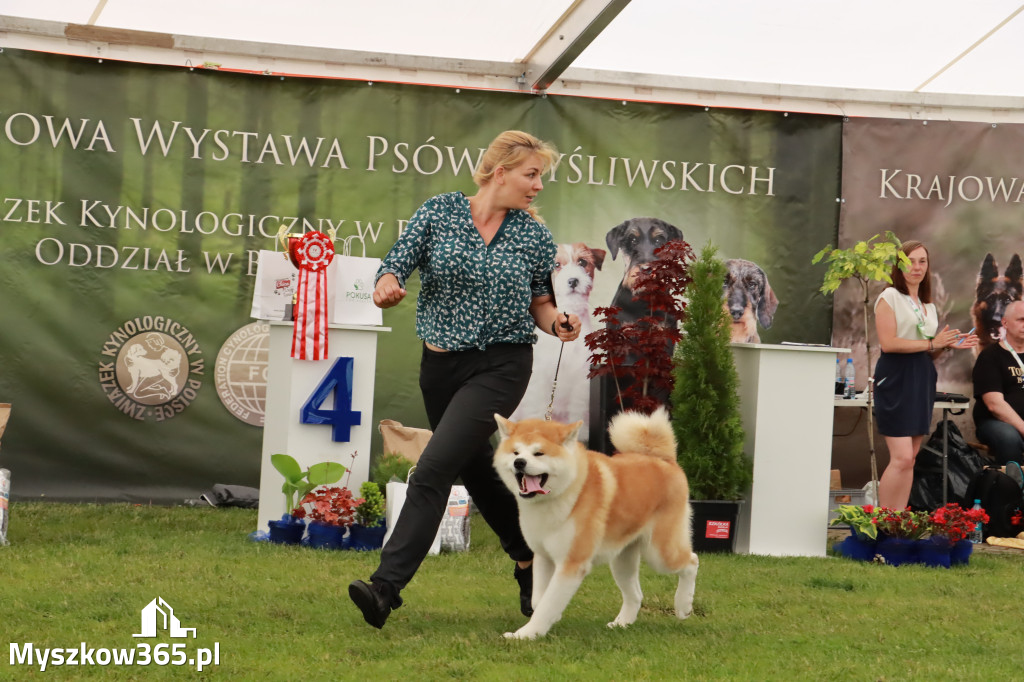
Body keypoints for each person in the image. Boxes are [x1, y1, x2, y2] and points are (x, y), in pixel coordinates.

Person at [349, 130, 581, 629]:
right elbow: (393, 270)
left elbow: (540, 302)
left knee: (432, 469)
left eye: (541, 176)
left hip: (502, 365)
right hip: (441, 369)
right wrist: (386, 288)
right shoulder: (438, 213)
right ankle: (527, 561)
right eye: (531, 174)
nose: (538, 185)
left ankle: (385, 588)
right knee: (476, 471)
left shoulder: (533, 236)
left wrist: (557, 321)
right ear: (500, 172)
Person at [873, 240, 978, 509]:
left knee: (912, 457)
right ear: (899, 265)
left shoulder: (928, 306)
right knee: (901, 457)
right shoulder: (889, 297)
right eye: (910, 261)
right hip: (895, 376)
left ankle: (898, 520)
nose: (917, 267)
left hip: (922, 377)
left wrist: (943, 345)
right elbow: (889, 343)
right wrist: (933, 343)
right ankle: (884, 520)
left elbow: (928, 351)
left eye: (922, 261)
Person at [973, 300, 1024, 466]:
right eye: (1021, 320)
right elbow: (994, 405)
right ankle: (1011, 490)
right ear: (1005, 323)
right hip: (997, 422)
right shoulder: (990, 356)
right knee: (1009, 438)